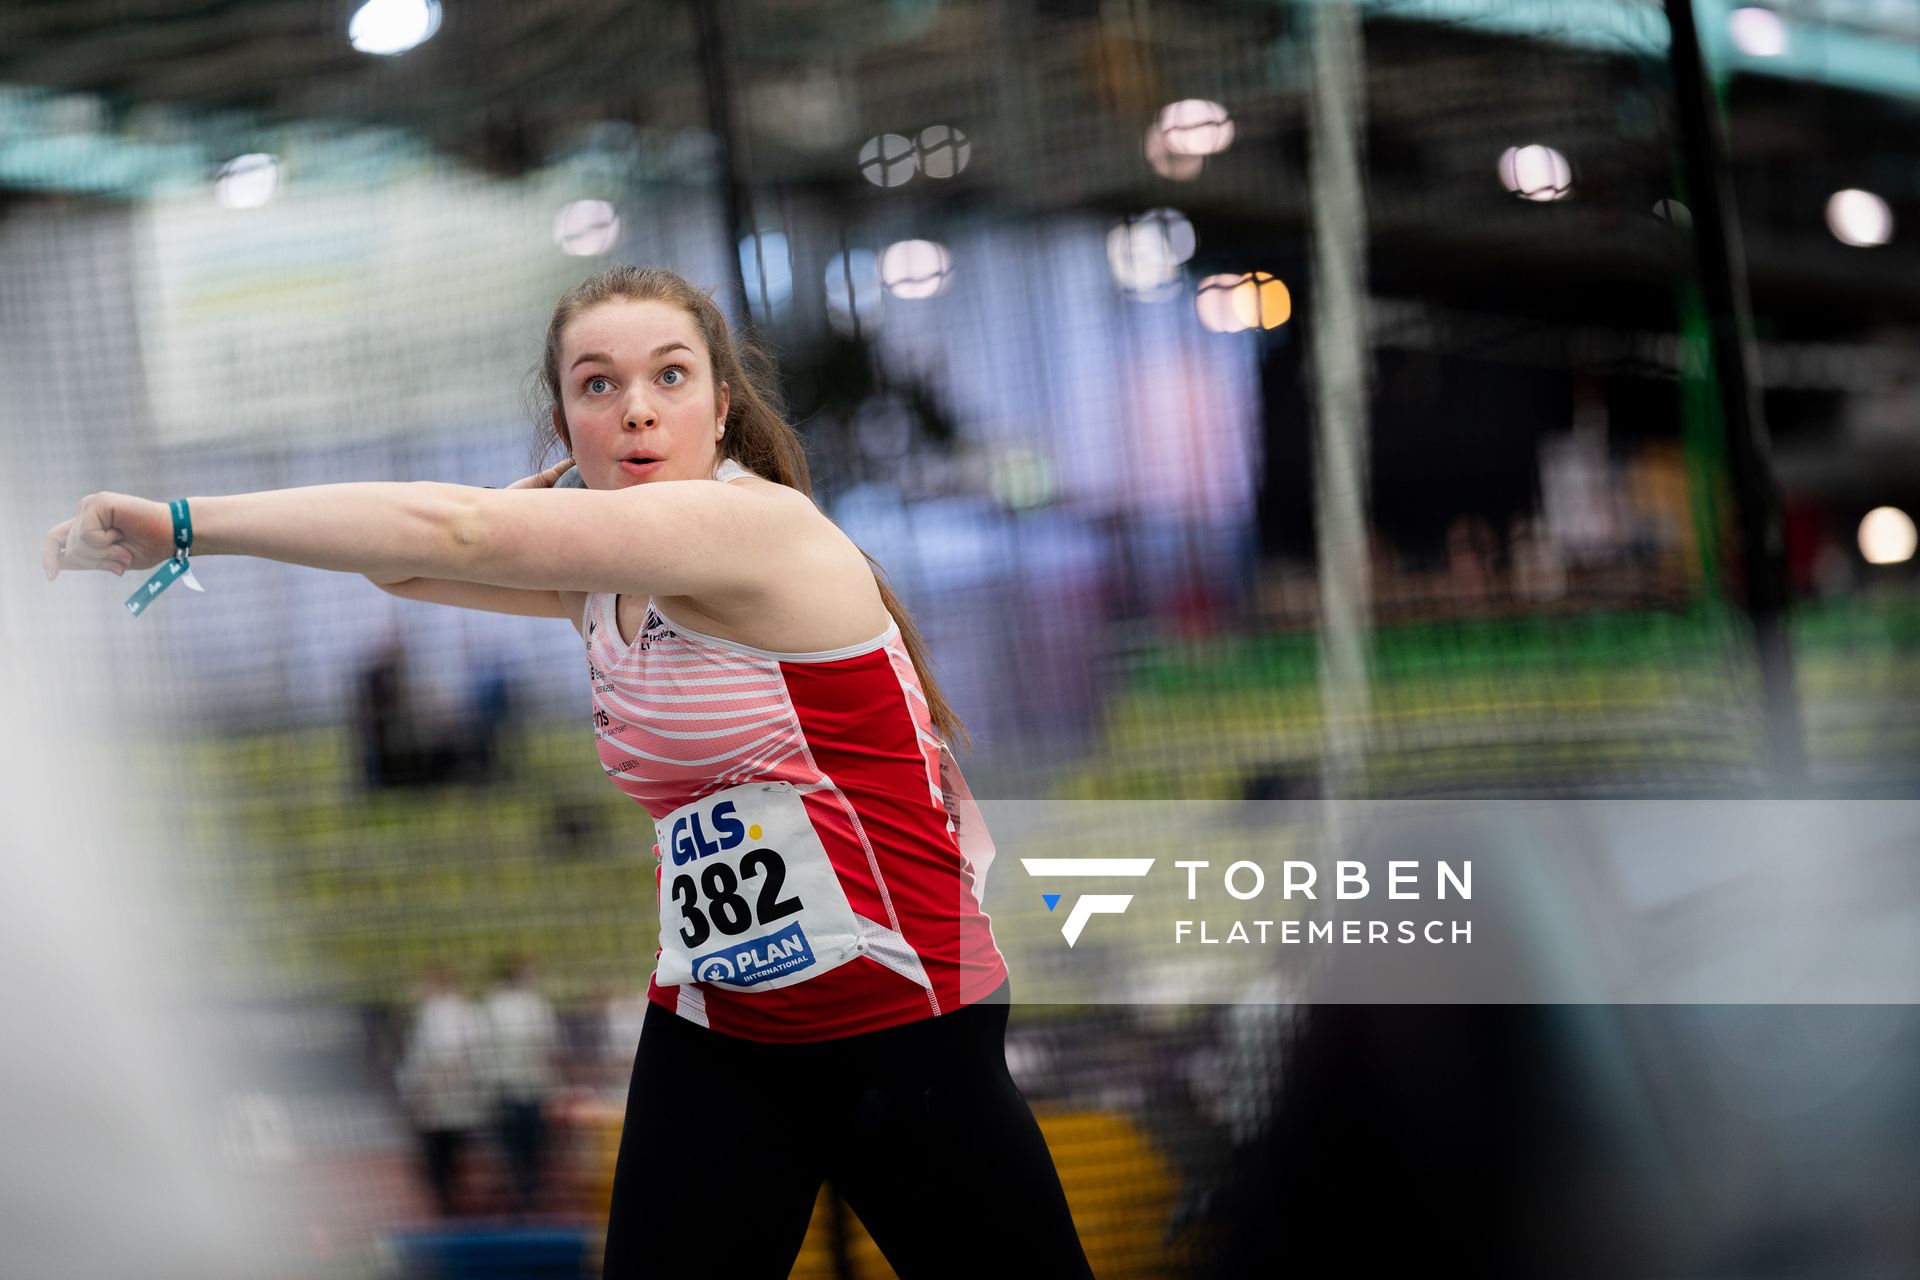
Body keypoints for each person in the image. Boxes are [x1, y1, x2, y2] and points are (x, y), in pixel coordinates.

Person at [43, 265, 1091, 1277]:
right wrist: (548, 499)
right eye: (599, 385)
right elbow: (400, 564)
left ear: (722, 411)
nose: (638, 410)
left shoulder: (759, 526)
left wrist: (184, 525)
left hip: (902, 1027)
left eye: (669, 377)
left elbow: (452, 532)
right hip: (721, 1022)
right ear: (565, 420)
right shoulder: (599, 583)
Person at [394, 965, 490, 1218]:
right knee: (449, 1150)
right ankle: (449, 1197)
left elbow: (436, 1058)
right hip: (455, 1096)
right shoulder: (465, 1011)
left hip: (438, 1096)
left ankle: (446, 1200)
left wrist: (417, 1094)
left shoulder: (437, 1013)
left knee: (439, 1151)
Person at [482, 955, 562, 1215]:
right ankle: (529, 1196)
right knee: (529, 1147)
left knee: (517, 1149)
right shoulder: (533, 1005)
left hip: (514, 1089)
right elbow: (549, 1048)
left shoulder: (496, 1005)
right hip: (523, 1088)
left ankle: (524, 1196)